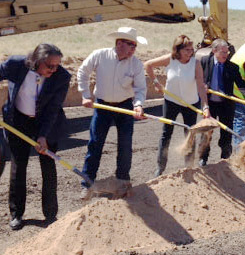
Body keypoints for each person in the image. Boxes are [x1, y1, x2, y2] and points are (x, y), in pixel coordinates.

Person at [0, 43, 71, 230]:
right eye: (50, 66)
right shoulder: (16, 64)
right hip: (18, 120)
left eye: (57, 65)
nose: (54, 70)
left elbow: (53, 109)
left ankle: (50, 214)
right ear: (37, 61)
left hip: (46, 122)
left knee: (48, 165)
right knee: (18, 165)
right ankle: (17, 214)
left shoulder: (62, 77)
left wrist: (43, 136)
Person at [77, 27, 146, 197]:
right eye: (130, 45)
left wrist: (138, 105)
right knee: (95, 143)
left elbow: (140, 88)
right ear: (119, 43)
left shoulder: (136, 64)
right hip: (102, 106)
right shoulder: (100, 55)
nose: (132, 49)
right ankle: (87, 183)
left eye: (134, 46)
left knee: (125, 145)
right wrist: (85, 95)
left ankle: (123, 181)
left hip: (125, 107)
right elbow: (82, 72)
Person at [144, 35, 210, 177]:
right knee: (166, 133)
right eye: (186, 50)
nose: (190, 53)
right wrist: (155, 82)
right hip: (171, 102)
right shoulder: (170, 59)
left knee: (190, 133)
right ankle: (160, 167)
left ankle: (189, 165)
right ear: (178, 50)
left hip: (191, 103)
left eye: (191, 50)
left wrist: (205, 106)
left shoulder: (195, 63)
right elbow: (148, 65)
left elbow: (200, 86)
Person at [199, 38, 245, 166]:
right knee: (206, 131)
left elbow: (241, 84)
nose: (225, 55)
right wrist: (202, 86)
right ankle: (203, 158)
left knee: (226, 132)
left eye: (227, 52)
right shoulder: (204, 62)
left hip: (226, 104)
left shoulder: (232, 67)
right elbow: (197, 79)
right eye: (222, 52)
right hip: (209, 104)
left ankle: (225, 158)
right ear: (214, 51)